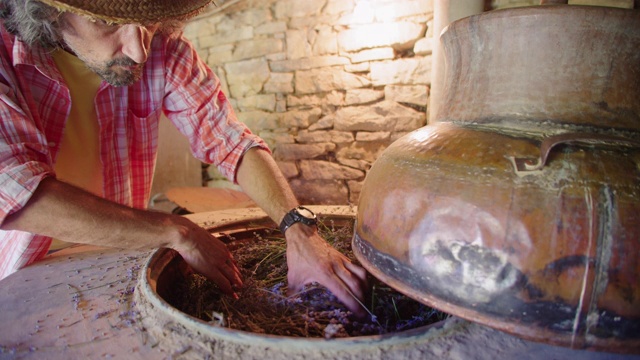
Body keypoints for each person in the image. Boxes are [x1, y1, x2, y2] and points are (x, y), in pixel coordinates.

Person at [0, 0, 368, 317]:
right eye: (110, 22)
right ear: (49, 11)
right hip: (25, 278)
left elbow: (228, 138)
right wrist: (177, 231)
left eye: (146, 21)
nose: (139, 49)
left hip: (125, 259)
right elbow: (20, 192)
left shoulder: (163, 49)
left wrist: (298, 231)